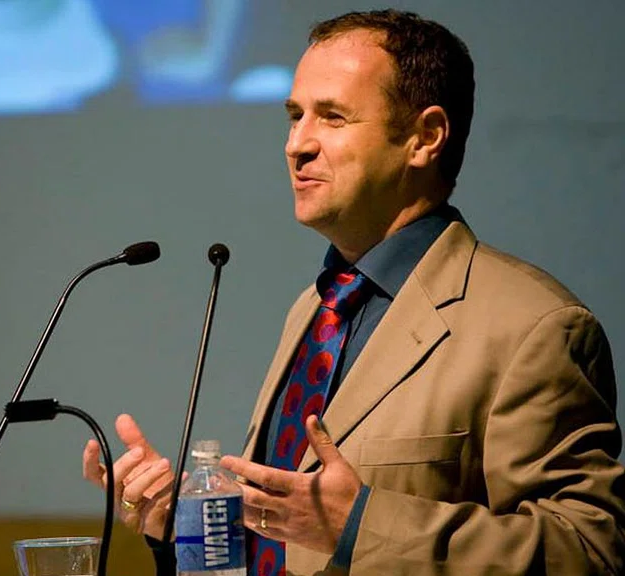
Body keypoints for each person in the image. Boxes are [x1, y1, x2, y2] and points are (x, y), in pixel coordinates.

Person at [82, 9, 625, 575]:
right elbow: (289, 544)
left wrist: (363, 526)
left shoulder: (533, 325)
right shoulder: (315, 309)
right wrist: (186, 528)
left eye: (333, 117)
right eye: (295, 116)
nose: (297, 144)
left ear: (425, 138)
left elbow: (589, 552)